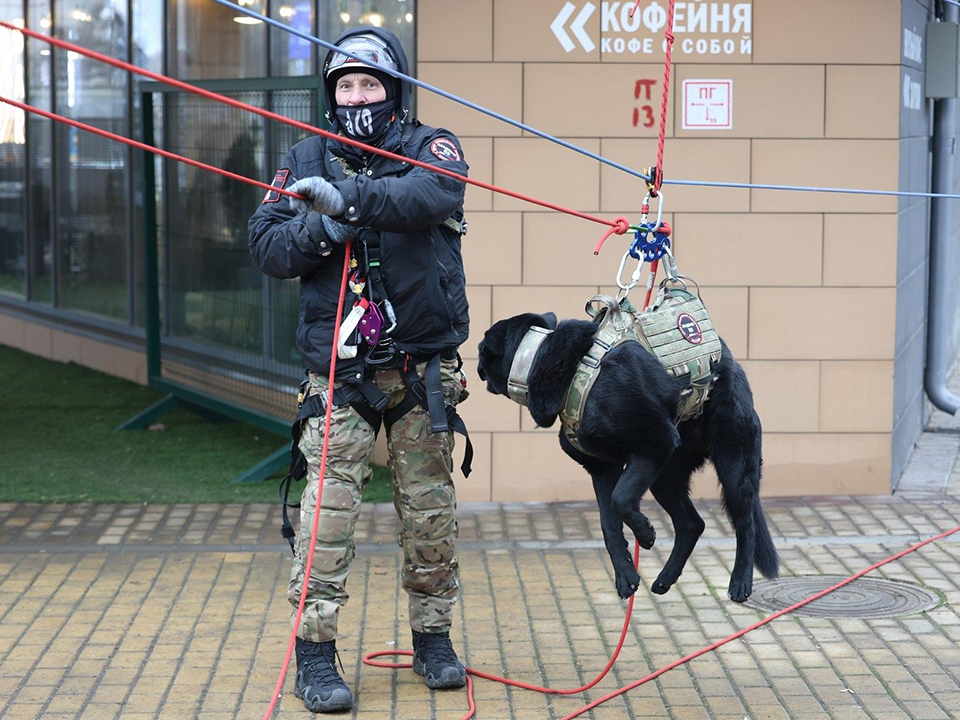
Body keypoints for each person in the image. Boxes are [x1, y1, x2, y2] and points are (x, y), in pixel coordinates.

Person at [248, 27, 471, 714]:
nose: (357, 97)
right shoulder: (303, 157)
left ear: (394, 91)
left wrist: (350, 202)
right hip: (339, 377)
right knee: (327, 520)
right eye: (345, 86)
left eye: (370, 85)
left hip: (420, 372)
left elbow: (431, 197)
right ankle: (315, 656)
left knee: (429, 516)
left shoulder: (431, 146)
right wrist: (324, 228)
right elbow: (267, 244)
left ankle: (432, 640)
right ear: (330, 95)